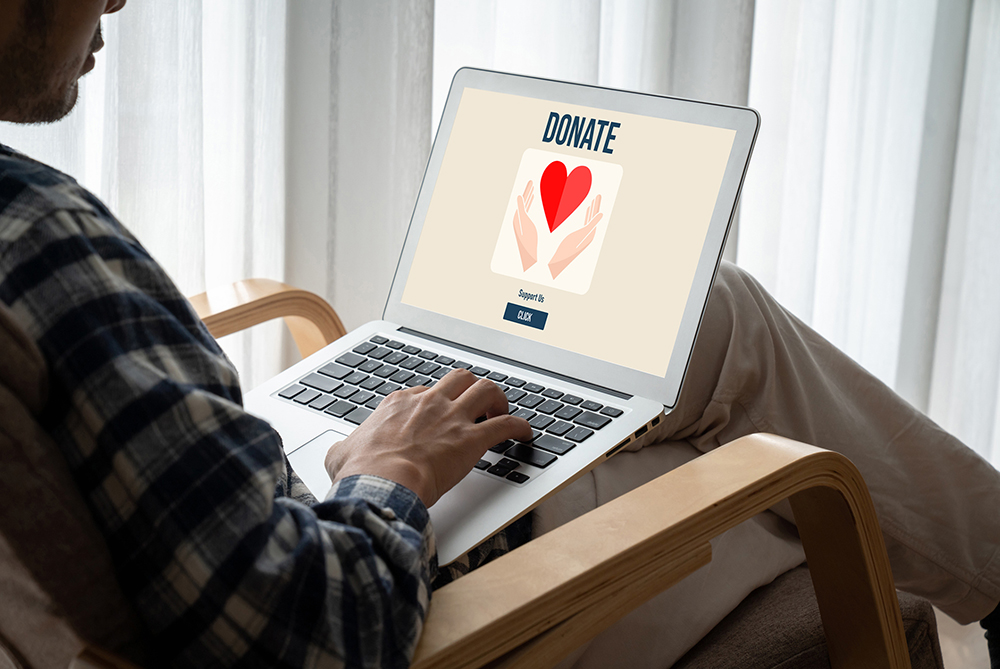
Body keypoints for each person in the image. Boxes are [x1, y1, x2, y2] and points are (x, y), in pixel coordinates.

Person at [0, 1, 997, 667]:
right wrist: (388, 479)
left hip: (271, 516)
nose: (119, 1)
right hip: (389, 600)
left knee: (699, 323)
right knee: (776, 484)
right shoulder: (40, 237)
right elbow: (308, 634)